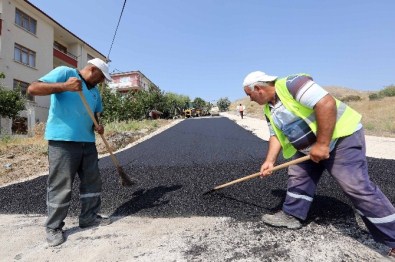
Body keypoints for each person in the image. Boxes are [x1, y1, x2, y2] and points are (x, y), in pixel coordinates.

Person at [242, 71, 395, 257]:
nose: (250, 99)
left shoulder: (292, 84)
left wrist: (322, 144)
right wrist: (269, 161)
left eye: (249, 94)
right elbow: (275, 135)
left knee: (355, 186)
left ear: (258, 88)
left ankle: (392, 236)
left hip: (340, 139)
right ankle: (292, 214)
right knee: (298, 176)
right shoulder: (269, 108)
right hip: (310, 148)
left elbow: (325, 103)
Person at [28, 58, 113, 247]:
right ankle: (53, 227)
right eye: (100, 77)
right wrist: (64, 86)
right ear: (92, 70)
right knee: (61, 185)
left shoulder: (95, 92)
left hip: (88, 142)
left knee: (92, 181)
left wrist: (98, 126)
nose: (101, 82)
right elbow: (33, 89)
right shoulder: (65, 73)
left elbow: (95, 114)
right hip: (63, 141)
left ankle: (89, 217)